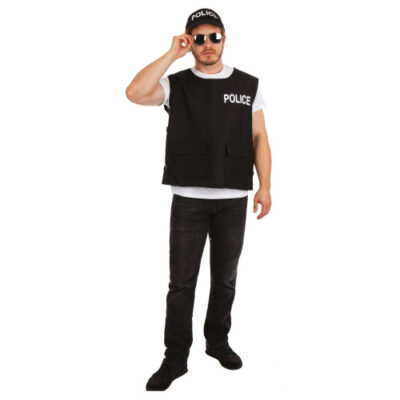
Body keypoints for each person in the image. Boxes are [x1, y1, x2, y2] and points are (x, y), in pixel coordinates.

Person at [125, 8, 272, 391]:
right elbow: (135, 93)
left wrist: (265, 186)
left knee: (225, 279)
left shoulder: (248, 84)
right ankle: (175, 359)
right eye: (199, 38)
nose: (208, 44)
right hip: (188, 199)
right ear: (190, 41)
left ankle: (217, 342)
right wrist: (172, 54)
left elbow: (260, 138)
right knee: (181, 284)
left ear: (224, 37)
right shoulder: (176, 84)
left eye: (214, 36)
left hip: (234, 198)